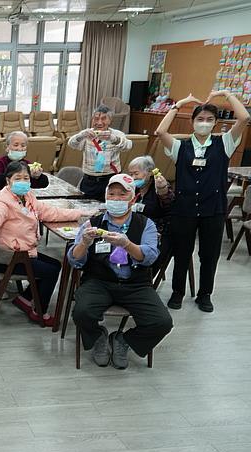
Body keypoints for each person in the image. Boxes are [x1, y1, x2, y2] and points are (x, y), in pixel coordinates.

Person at [155, 90, 250, 312]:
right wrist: (179, 104)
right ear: (192, 122)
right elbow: (160, 131)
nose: (204, 123)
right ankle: (178, 292)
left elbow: (244, 118)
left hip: (212, 209)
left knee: (209, 254)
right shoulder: (181, 147)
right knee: (181, 252)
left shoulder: (224, 144)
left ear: (216, 123)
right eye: (200, 119)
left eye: (209, 120)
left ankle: (204, 294)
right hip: (184, 209)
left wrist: (226, 94)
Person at [67, 175, 173, 369]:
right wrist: (84, 243)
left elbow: (150, 257)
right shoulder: (93, 223)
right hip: (99, 281)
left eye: (121, 195)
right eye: (112, 194)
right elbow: (74, 259)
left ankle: (124, 340)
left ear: (133, 199)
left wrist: (128, 245)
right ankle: (99, 337)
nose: (115, 199)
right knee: (82, 312)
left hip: (135, 284)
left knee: (162, 322)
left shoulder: (145, 224)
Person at [0, 161, 91, 326]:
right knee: (52, 270)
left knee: (55, 264)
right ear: (8, 181)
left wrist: (79, 213)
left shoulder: (28, 196)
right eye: (18, 178)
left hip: (24, 252)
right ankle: (39, 311)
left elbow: (49, 212)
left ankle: (25, 299)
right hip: (8, 259)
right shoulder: (2, 201)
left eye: (26, 178)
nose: (23, 181)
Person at [67, 105, 133, 201]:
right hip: (89, 180)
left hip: (110, 179)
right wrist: (82, 135)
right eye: (96, 119)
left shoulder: (116, 134)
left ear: (110, 120)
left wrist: (113, 139)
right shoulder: (87, 134)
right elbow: (71, 144)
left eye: (103, 119)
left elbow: (128, 146)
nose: (99, 122)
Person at [125, 155, 174, 273]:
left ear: (149, 172)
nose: (133, 177)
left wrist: (162, 189)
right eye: (130, 174)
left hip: (159, 230)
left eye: (136, 174)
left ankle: (142, 280)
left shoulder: (159, 185)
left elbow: (168, 201)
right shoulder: (133, 188)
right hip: (135, 227)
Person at [0, 131, 49, 214]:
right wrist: (15, 173)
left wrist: (37, 176)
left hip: (20, 208)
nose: (19, 148)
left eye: (23, 145)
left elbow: (43, 183)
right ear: (7, 147)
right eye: (16, 145)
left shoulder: (27, 164)